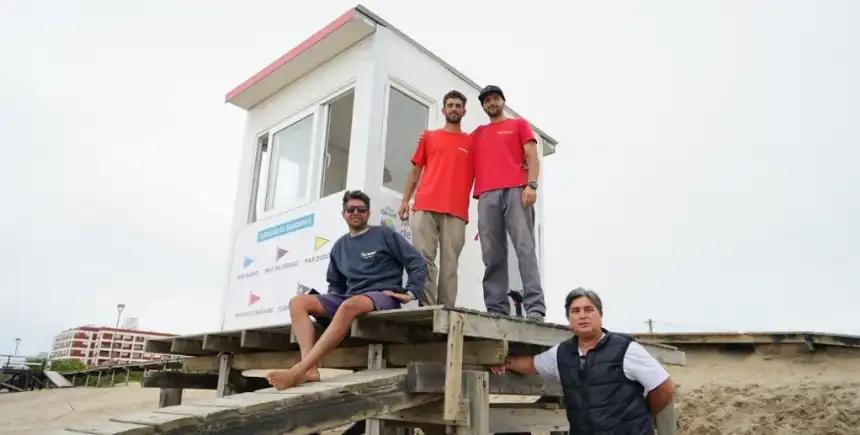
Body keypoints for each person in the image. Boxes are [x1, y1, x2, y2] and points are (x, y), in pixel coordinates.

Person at [266, 190, 427, 390]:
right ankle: (310, 369)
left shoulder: (384, 234)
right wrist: (328, 308)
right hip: (351, 297)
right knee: (297, 302)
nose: (356, 213)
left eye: (361, 209)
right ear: (344, 214)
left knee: (348, 305)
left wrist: (410, 292)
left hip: (382, 296)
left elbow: (417, 262)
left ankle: (298, 370)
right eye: (351, 209)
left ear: (368, 213)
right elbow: (336, 285)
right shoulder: (339, 246)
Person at [491, 288, 676, 434]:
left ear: (600, 315)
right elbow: (532, 364)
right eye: (575, 311)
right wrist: (503, 362)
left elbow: (665, 387)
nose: (582, 315)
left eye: (589, 310)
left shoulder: (625, 349)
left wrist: (643, 415)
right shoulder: (562, 353)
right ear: (569, 319)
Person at [471, 85, 545, 321]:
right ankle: (496, 307)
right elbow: (455, 150)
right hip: (486, 195)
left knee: (525, 248)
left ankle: (535, 306)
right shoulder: (478, 133)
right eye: (487, 101)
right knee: (492, 253)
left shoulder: (518, 124)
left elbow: (532, 155)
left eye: (495, 99)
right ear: (483, 106)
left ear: (503, 101)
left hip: (516, 190)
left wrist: (531, 185)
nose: (491, 103)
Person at [398, 90, 474, 308]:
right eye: (450, 105)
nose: (453, 109)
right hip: (425, 205)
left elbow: (491, 161)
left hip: (456, 209)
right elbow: (415, 171)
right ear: (443, 110)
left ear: (464, 111)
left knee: (450, 264)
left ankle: (447, 310)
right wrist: (405, 200)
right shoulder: (429, 137)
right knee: (423, 259)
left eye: (458, 105)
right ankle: (428, 308)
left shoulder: (472, 142)